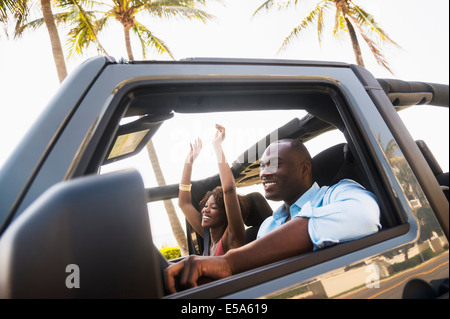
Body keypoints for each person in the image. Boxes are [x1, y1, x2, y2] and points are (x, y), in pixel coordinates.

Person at [165, 138, 381, 293]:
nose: (263, 173)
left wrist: (228, 263)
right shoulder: (269, 225)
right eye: (262, 166)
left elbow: (364, 216)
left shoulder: (337, 193)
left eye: (274, 164)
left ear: (304, 169)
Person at [178, 124, 249, 256]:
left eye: (214, 207)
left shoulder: (232, 238)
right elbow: (184, 203)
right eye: (206, 205)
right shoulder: (209, 239)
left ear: (226, 213)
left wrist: (217, 146)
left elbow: (228, 189)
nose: (206, 209)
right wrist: (188, 162)